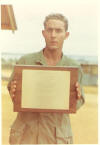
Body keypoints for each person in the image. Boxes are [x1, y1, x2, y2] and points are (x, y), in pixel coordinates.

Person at [7, 13, 85, 144]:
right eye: (49, 30)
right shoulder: (25, 62)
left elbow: (79, 101)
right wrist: (13, 92)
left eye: (58, 30)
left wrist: (75, 99)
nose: (53, 35)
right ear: (43, 33)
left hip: (56, 137)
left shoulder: (74, 67)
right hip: (26, 135)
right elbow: (12, 92)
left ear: (66, 35)